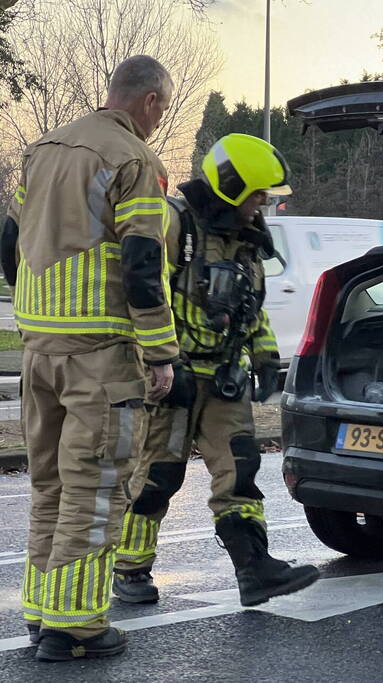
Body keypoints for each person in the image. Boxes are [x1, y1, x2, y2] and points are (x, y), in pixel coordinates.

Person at [2, 55, 178, 662]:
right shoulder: (136, 162)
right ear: (151, 101)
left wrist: (33, 311)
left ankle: (41, 612)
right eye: (162, 109)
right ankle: (75, 625)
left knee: (48, 486)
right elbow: (142, 266)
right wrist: (159, 353)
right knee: (96, 489)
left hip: (39, 350)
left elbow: (10, 239)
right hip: (99, 357)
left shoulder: (44, 148)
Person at [113, 133, 319, 608]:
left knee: (240, 471)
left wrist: (266, 356)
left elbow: (254, 309)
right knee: (158, 477)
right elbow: (140, 293)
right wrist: (160, 358)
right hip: (172, 377)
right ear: (230, 186)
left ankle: (255, 570)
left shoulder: (245, 240)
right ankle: (130, 568)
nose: (261, 205)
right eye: (257, 195)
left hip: (223, 376)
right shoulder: (173, 225)